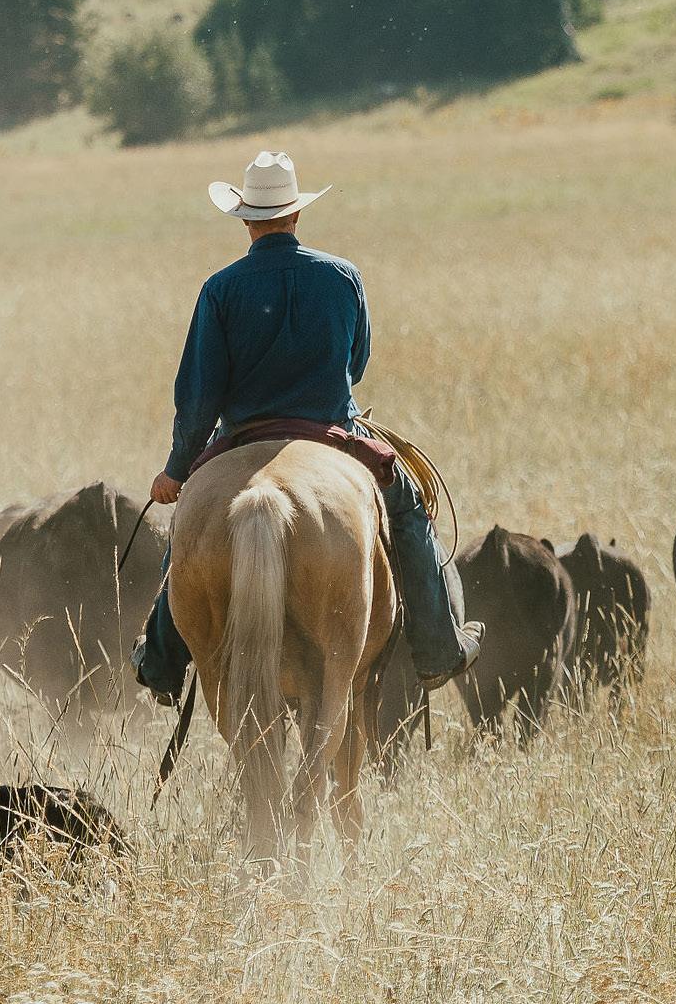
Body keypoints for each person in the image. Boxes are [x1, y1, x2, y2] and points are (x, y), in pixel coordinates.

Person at [131, 150, 478, 705]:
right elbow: (356, 364)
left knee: (193, 523)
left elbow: (198, 398)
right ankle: (438, 649)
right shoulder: (343, 277)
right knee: (408, 507)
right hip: (332, 431)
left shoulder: (219, 289)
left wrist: (175, 472)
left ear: (246, 221)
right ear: (295, 213)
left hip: (239, 436)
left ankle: (161, 661)